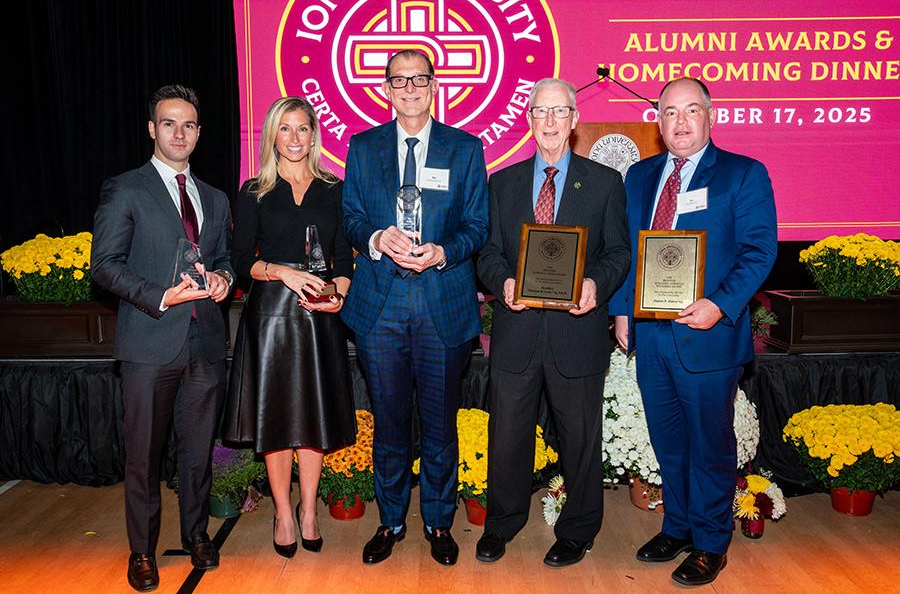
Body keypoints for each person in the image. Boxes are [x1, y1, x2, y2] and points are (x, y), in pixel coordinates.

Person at [610, 77, 777, 586]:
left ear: (710, 115)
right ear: (657, 121)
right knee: (669, 442)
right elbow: (625, 251)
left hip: (707, 336)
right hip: (651, 336)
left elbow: (758, 251)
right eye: (669, 113)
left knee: (709, 445)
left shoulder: (743, 174)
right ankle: (678, 526)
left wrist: (719, 305)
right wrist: (621, 310)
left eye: (691, 111)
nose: (680, 122)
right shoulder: (638, 176)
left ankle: (709, 542)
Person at [475, 78, 630, 567]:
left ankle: (578, 529)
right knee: (508, 437)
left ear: (574, 119)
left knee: (580, 438)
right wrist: (502, 282)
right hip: (517, 331)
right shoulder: (502, 183)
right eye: (539, 112)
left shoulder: (605, 182)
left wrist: (595, 285)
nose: (548, 122)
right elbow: (488, 251)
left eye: (558, 112)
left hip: (577, 332)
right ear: (528, 119)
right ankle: (502, 523)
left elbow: (619, 252)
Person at [341, 49, 488, 566]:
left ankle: (440, 522)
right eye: (398, 80)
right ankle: (391, 520)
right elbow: (352, 217)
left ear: (433, 85)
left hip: (441, 301)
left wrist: (445, 251)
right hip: (380, 304)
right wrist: (377, 236)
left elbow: (477, 224)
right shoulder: (363, 147)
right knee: (388, 422)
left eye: (419, 79)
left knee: (441, 421)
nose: (409, 88)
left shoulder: (466, 148)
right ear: (385, 88)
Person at [91, 84, 235, 592]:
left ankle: (197, 534)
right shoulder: (125, 189)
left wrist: (223, 280)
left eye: (189, 125)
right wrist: (160, 296)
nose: (180, 133)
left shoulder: (214, 197)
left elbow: (221, 260)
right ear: (152, 129)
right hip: (149, 344)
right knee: (143, 455)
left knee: (197, 453)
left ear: (199, 133)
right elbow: (103, 267)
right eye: (169, 123)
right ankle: (142, 551)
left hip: (206, 345)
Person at [222, 96, 356, 559]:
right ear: (272, 136)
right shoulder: (254, 190)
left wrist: (337, 293)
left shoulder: (334, 188)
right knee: (277, 417)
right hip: (272, 316)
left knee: (313, 418)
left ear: (314, 135)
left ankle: (309, 511)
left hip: (320, 314)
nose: (295, 138)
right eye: (286, 129)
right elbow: (241, 263)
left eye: (303, 129)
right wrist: (283, 272)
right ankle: (282, 512)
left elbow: (344, 255)